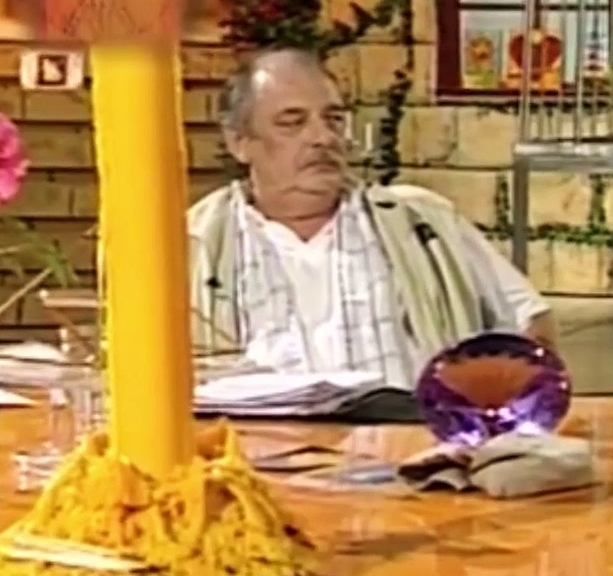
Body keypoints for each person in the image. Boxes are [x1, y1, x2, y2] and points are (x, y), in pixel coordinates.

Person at [188, 47, 556, 388]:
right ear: (239, 142)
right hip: (253, 437)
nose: (322, 137)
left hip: (409, 431)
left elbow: (528, 322)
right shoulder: (191, 245)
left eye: (333, 119)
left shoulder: (422, 221)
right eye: (292, 122)